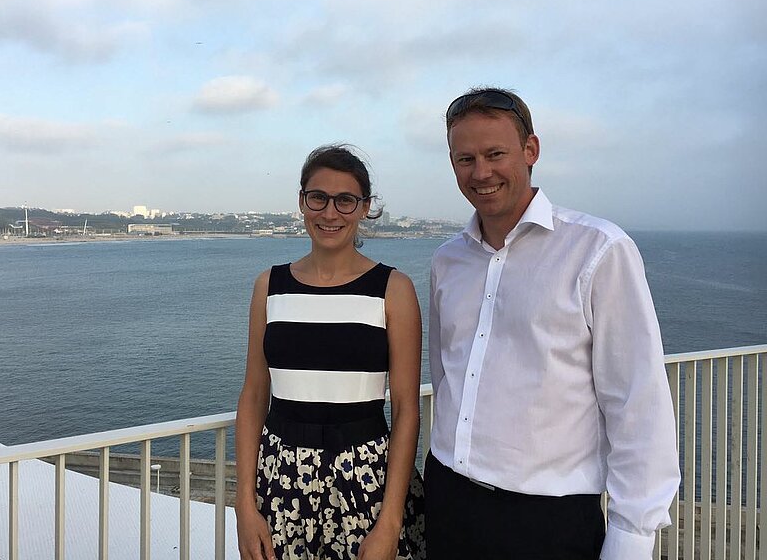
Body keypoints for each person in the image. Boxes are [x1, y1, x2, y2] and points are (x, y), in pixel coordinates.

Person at [425, 88, 680, 560]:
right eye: (465, 158)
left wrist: (631, 538)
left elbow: (636, 399)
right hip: (448, 498)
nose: (480, 172)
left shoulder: (598, 250)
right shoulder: (447, 261)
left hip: (549, 519)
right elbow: (446, 373)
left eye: (495, 153)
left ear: (530, 150)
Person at [235, 144, 425, 560]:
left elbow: (407, 411)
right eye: (317, 198)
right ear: (302, 202)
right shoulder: (269, 286)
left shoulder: (394, 290)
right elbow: (252, 397)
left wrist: (390, 521)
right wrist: (244, 506)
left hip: (367, 483)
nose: (329, 213)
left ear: (364, 208)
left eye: (345, 200)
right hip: (280, 479)